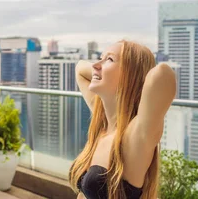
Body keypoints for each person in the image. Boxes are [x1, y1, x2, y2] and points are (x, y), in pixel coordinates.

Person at [69, 40, 176, 199]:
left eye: (109, 60)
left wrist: (131, 76)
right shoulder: (103, 125)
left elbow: (162, 73)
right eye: (100, 58)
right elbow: (80, 68)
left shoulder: (135, 137)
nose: (96, 64)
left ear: (130, 75)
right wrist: (104, 70)